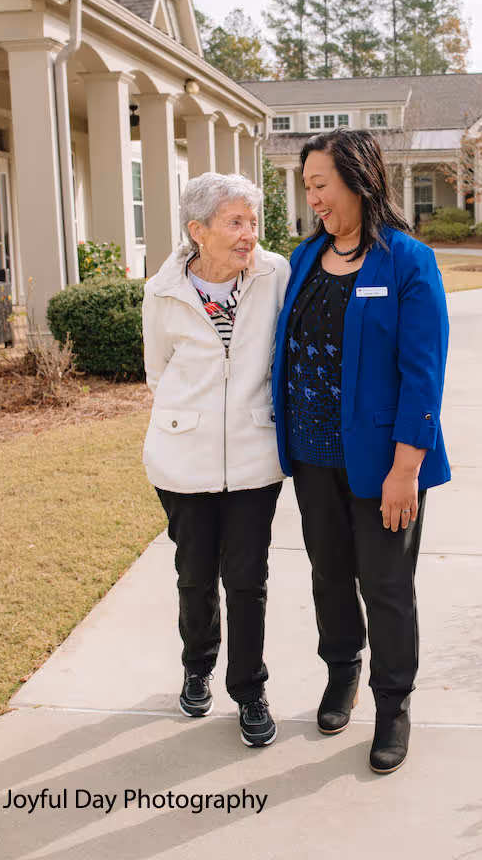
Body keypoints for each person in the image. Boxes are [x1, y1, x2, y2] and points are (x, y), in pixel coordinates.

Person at [272, 128, 450, 774]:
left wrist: (407, 469)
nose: (312, 196)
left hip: (383, 465)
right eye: (308, 185)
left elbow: (423, 372)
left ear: (357, 179)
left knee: (387, 585)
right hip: (314, 456)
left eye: (320, 184)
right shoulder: (302, 259)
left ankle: (393, 703)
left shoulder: (406, 261)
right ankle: (341, 672)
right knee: (328, 576)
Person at [142, 172, 290, 748]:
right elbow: (158, 371)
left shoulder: (274, 275)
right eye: (235, 222)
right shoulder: (162, 293)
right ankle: (197, 665)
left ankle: (250, 689)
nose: (248, 234)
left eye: (252, 222)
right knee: (194, 575)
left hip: (255, 456)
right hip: (184, 460)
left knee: (247, 579)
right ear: (197, 231)